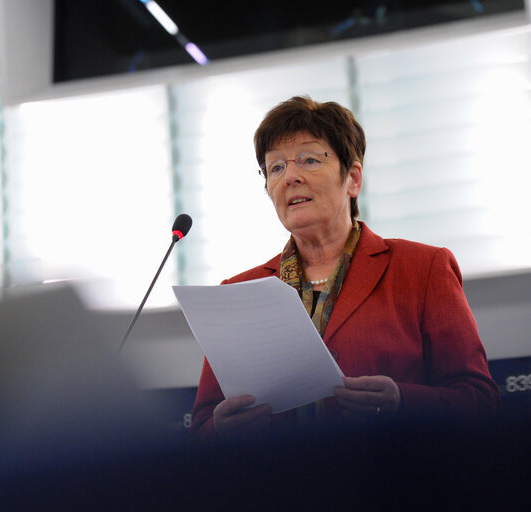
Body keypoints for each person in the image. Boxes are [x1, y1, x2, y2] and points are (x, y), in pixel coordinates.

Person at [190, 96, 501, 442]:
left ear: (352, 179)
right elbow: (201, 427)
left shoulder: (422, 269)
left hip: (394, 482)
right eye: (275, 167)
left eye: (309, 159)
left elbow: (481, 401)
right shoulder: (236, 292)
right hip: (278, 489)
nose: (290, 176)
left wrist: (402, 401)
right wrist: (221, 428)